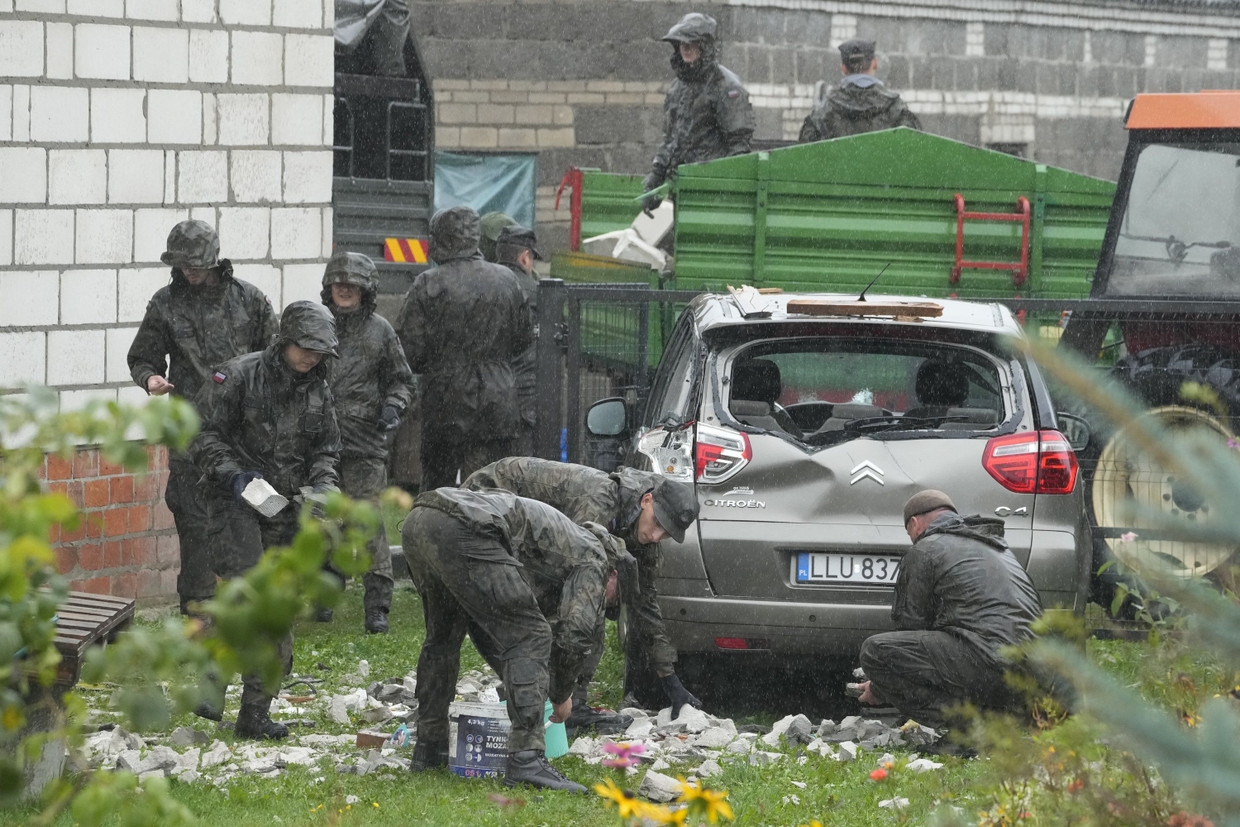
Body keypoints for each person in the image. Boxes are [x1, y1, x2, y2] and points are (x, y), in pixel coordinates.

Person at [402, 486, 627, 792]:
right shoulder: (595, 556)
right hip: (466, 525)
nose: (604, 606)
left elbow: (486, 624)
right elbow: (574, 635)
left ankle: (430, 747)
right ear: (613, 575)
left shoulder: (560, 543)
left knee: (443, 638)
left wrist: (521, 677)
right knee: (533, 634)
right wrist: (560, 695)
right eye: (611, 600)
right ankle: (526, 759)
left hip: (423, 519)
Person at [190, 301, 342, 740]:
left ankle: (256, 711)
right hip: (234, 500)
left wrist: (323, 490)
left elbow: (326, 451)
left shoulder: (319, 389)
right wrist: (232, 472)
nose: (311, 358)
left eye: (319, 351)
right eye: (305, 348)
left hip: (286, 508)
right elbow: (202, 433)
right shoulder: (238, 376)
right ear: (285, 341)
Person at [462, 457, 703, 726]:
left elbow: (644, 604)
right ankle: (555, 698)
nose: (657, 536)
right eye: (657, 524)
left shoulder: (644, 533)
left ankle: (544, 693)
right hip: (485, 500)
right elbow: (577, 575)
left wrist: (670, 681)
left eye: (667, 533)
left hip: (528, 526)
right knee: (579, 602)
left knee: (583, 599)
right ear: (646, 501)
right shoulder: (599, 500)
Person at [127, 219, 278, 617]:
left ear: (214, 260)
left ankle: (253, 603)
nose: (190, 272)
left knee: (256, 511)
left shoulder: (250, 300)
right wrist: (151, 378)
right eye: (181, 265)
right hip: (190, 432)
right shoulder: (165, 303)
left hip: (244, 433)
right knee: (193, 519)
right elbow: (142, 355)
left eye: (196, 264)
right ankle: (198, 609)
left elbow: (276, 360)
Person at [856, 490, 1042, 732]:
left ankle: (967, 730)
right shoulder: (997, 548)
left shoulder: (926, 549)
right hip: (1035, 673)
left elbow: (911, 627)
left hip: (991, 665)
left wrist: (881, 687)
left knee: (876, 652)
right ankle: (1001, 720)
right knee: (966, 649)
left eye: (909, 533)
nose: (912, 538)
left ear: (914, 523)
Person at [395, 206, 534, 490]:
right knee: (488, 492)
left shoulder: (427, 283)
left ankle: (438, 534)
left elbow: (410, 351)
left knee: (438, 490)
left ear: (439, 239)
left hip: (445, 403)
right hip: (497, 402)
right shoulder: (507, 279)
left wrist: (443, 361)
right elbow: (521, 340)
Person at [320, 251, 415, 634]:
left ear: (366, 290)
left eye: (352, 284)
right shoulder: (316, 324)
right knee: (323, 520)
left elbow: (402, 380)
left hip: (365, 443)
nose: (345, 290)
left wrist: (393, 407)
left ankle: (377, 604)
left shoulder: (380, 331)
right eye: (338, 283)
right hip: (320, 444)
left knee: (369, 524)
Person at [642, 12, 754, 214]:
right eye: (680, 43)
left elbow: (739, 147)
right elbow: (671, 139)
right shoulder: (678, 87)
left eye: (690, 43)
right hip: (682, 187)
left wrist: (722, 189)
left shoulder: (726, 87)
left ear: (704, 46)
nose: (684, 48)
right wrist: (655, 177)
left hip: (710, 192)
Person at [798, 39, 921, 143]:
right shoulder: (896, 108)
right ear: (875, 64)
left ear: (843, 68)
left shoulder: (824, 110)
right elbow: (915, 149)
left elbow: (806, 155)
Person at [494, 225, 543, 456]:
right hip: (524, 395)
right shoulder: (535, 292)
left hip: (487, 394)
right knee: (521, 469)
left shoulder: (483, 286)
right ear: (525, 257)